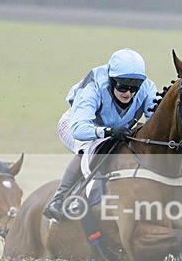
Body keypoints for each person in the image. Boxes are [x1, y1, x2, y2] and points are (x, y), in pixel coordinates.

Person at [43, 48, 159, 220]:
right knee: (90, 147)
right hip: (78, 126)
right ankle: (58, 200)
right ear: (111, 80)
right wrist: (107, 131)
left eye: (134, 87)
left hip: (117, 131)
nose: (128, 93)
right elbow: (79, 129)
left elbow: (154, 123)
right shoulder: (94, 85)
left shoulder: (147, 88)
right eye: (122, 86)